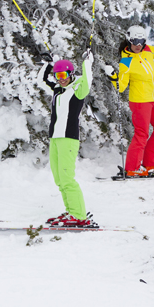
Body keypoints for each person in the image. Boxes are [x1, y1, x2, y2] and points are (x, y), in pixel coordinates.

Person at [104, 25, 154, 177]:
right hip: (139, 101)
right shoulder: (126, 61)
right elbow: (121, 87)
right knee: (141, 134)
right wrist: (114, 78)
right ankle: (132, 168)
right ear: (129, 40)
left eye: (141, 41)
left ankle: (150, 162)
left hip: (152, 99)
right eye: (135, 41)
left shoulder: (147, 50)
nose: (138, 45)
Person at [40, 51, 96, 228]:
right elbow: (41, 80)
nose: (61, 79)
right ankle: (71, 210)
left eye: (64, 75)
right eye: (57, 76)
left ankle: (79, 215)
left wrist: (87, 62)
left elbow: (86, 81)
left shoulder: (77, 90)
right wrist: (49, 64)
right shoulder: (58, 90)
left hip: (68, 138)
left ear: (71, 74)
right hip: (55, 138)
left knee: (67, 178)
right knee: (59, 179)